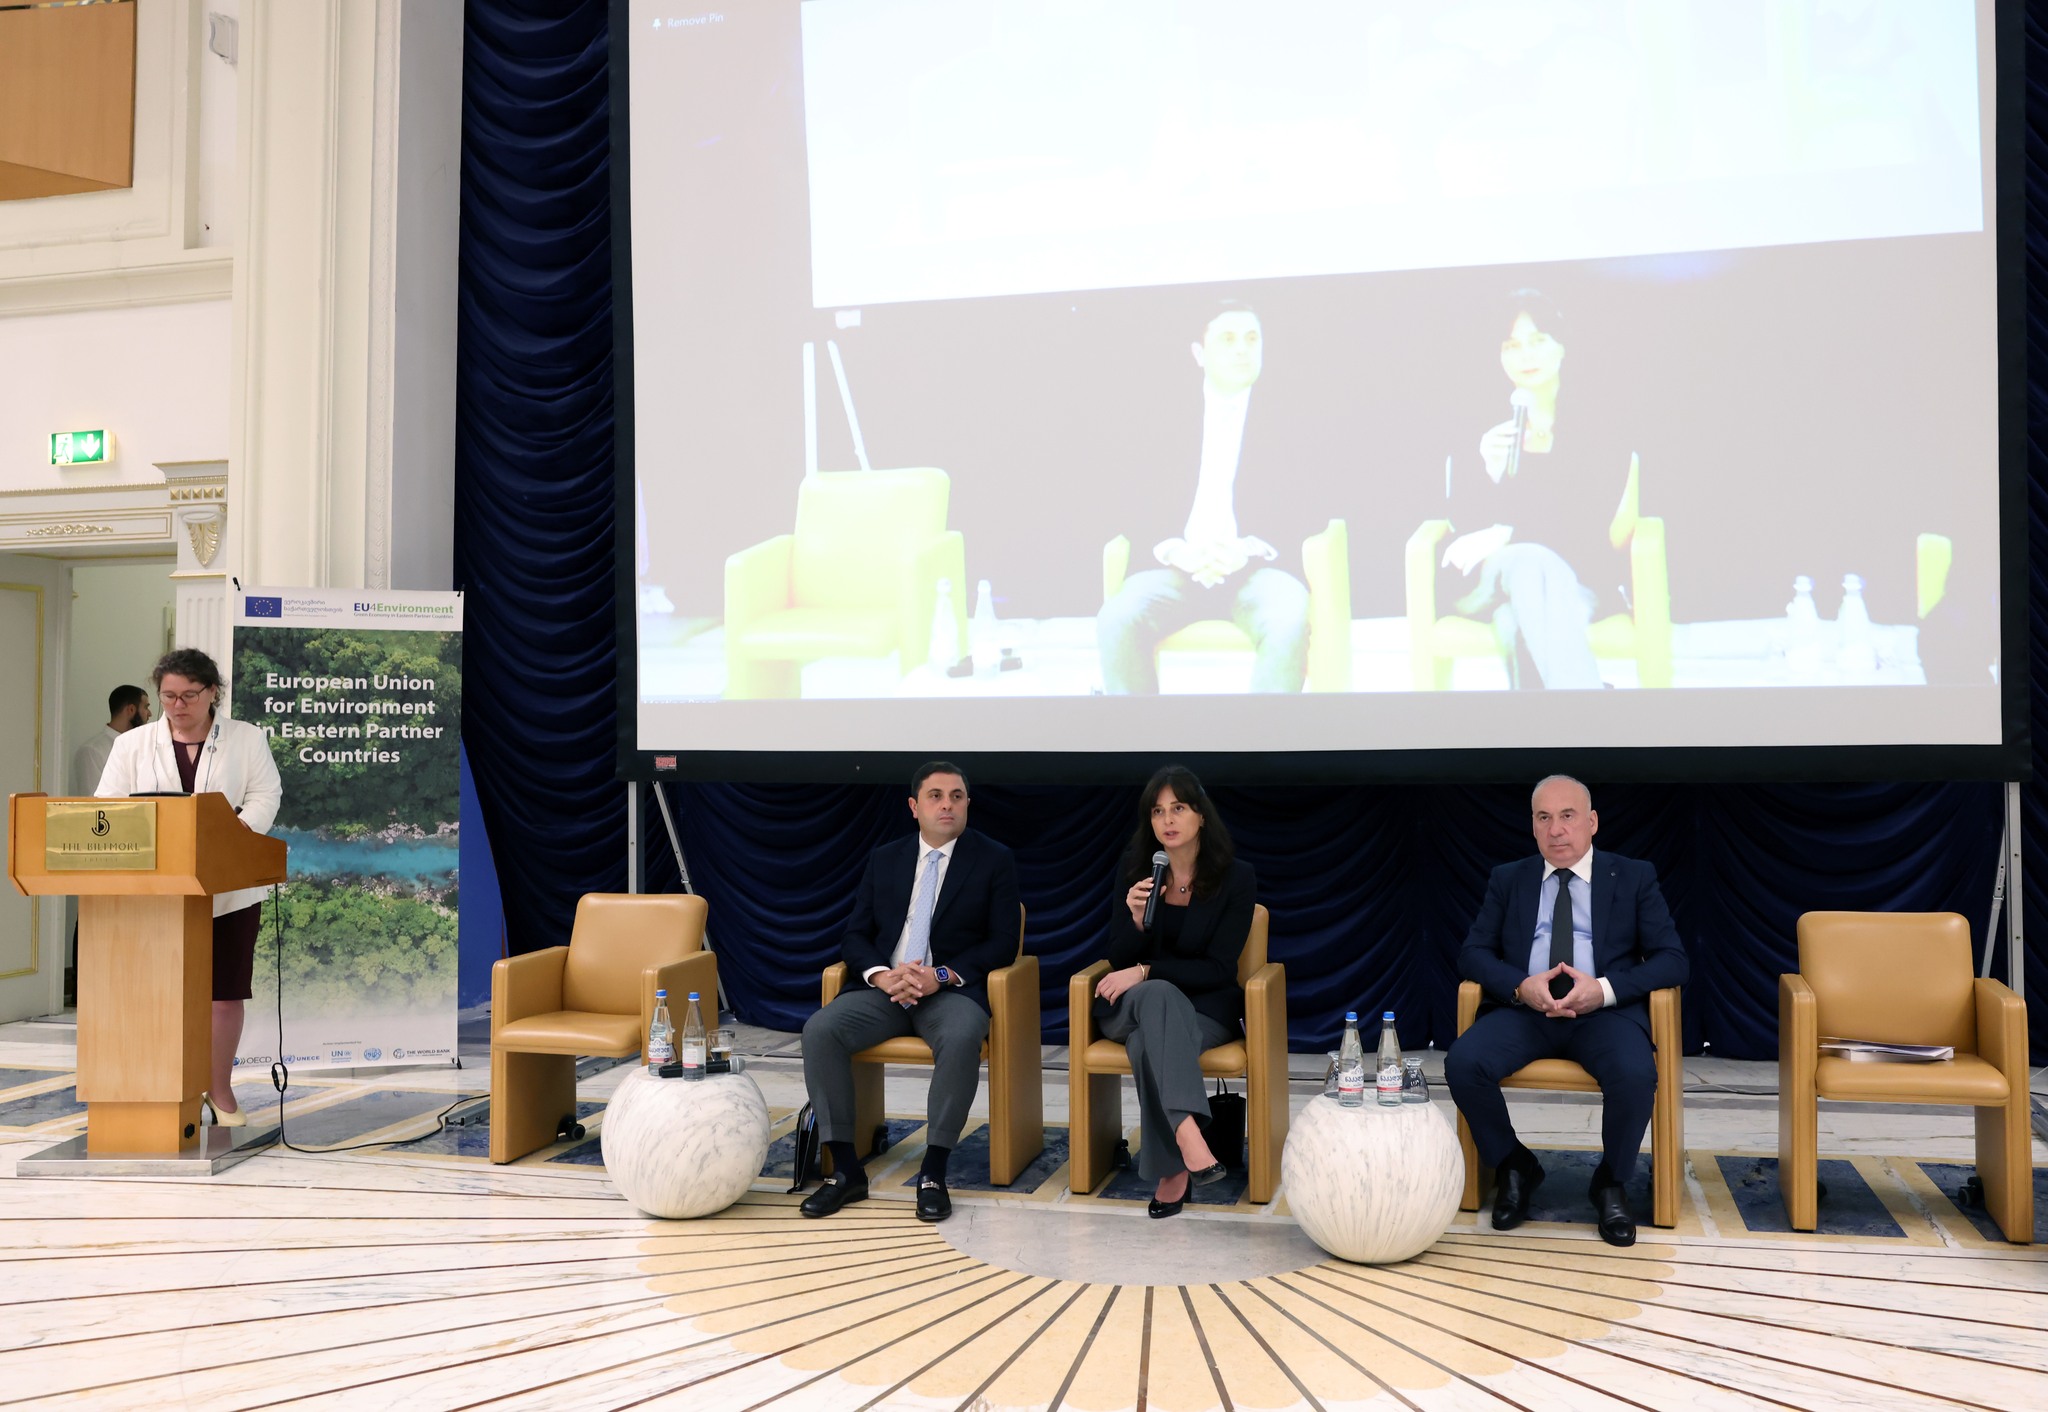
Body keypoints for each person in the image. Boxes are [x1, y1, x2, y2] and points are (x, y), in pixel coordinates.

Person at [1444, 775, 1689, 1247]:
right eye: (1544, 818)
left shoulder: (1633, 876)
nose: (1556, 829)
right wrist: (1521, 986)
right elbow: (1472, 954)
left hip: (1604, 1015)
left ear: (1592, 822)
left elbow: (1674, 959)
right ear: (1533, 827)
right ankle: (1515, 1164)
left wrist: (1604, 990)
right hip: (1526, 1012)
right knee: (1463, 1063)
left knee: (1635, 1074)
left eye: (1568, 816)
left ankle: (1611, 1180)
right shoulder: (1509, 878)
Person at [799, 761, 1021, 1223]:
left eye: (957, 796)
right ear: (914, 806)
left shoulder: (993, 858)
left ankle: (933, 1171)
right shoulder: (886, 858)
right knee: (821, 1030)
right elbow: (855, 936)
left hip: (949, 993)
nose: (947, 805)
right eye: (936, 796)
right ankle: (846, 1170)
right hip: (887, 990)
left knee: (961, 1037)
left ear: (968, 804)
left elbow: (1002, 941)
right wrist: (882, 975)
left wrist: (940, 975)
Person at [96, 648, 282, 1128]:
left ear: (212, 692)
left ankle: (220, 1092)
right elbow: (107, 804)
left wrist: (233, 833)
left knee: (224, 992)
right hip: (153, 892)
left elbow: (266, 794)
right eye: (168, 696)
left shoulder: (246, 738)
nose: (177, 706)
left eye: (189, 696)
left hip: (229, 888)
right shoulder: (133, 744)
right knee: (154, 992)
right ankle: (160, 1090)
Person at [1096, 303, 1310, 694]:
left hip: (1257, 569)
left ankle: (1267, 735)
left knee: (1287, 619)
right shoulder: (1162, 416)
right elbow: (1130, 499)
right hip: (1177, 569)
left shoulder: (1291, 418)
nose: (1242, 349)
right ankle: (1138, 734)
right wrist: (1176, 551)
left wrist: (1246, 549)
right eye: (1227, 339)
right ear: (1199, 353)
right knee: (1118, 617)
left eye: (1251, 339)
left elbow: (1307, 506)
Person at [1438, 290, 1638, 689]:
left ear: (1561, 348)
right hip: (1488, 585)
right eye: (1511, 346)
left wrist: (1509, 530)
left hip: (1576, 583)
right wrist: (1489, 473)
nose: (1525, 356)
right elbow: (1464, 534)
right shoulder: (1480, 425)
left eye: (1538, 341)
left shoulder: (1596, 428)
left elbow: (1594, 532)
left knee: (1516, 622)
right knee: (1529, 559)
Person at [1095, 765, 1252, 1218]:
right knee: (1158, 995)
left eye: (1178, 808)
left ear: (1201, 815)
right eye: (1158, 811)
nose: (1167, 819)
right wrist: (1134, 920)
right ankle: (1190, 1137)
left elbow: (1219, 968)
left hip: (1203, 1009)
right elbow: (1117, 956)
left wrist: (1146, 971)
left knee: (1147, 1042)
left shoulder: (1236, 878)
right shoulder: (1136, 870)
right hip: (1131, 1006)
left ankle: (1174, 1169)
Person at [71, 684, 150, 795]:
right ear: (131, 710)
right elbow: (93, 799)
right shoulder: (91, 751)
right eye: (146, 707)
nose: (150, 714)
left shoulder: (143, 748)